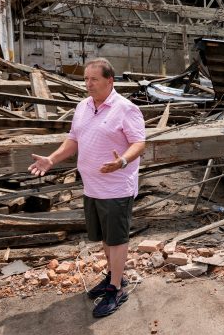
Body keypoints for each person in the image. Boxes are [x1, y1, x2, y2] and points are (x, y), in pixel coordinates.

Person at [28, 58, 145, 318]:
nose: (87, 84)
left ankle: (116, 290)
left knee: (117, 239)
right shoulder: (82, 106)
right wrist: (51, 159)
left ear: (109, 81)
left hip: (116, 187)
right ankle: (114, 277)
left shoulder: (126, 108)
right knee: (105, 236)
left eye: (94, 79)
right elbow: (73, 140)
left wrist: (122, 161)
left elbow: (139, 143)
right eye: (85, 79)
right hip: (92, 186)